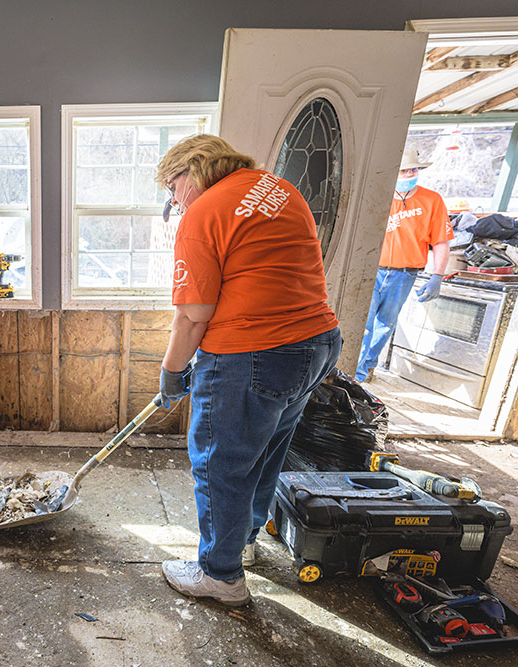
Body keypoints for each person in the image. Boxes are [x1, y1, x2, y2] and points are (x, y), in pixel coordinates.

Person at [155, 134, 342, 607]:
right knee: (263, 453)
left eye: (172, 188)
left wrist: (172, 370)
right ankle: (245, 544)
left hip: (254, 352)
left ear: (191, 172)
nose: (174, 200)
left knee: (221, 465)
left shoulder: (203, 213)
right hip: (316, 343)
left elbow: (193, 313)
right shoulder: (277, 188)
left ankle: (220, 576)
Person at [355, 148, 453, 383]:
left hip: (404, 274)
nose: (409, 173)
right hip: (371, 271)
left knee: (386, 323)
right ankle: (354, 375)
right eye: (403, 170)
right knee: (363, 323)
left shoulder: (432, 200)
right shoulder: (377, 195)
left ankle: (368, 366)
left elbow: (441, 241)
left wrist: (437, 276)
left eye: (413, 169)